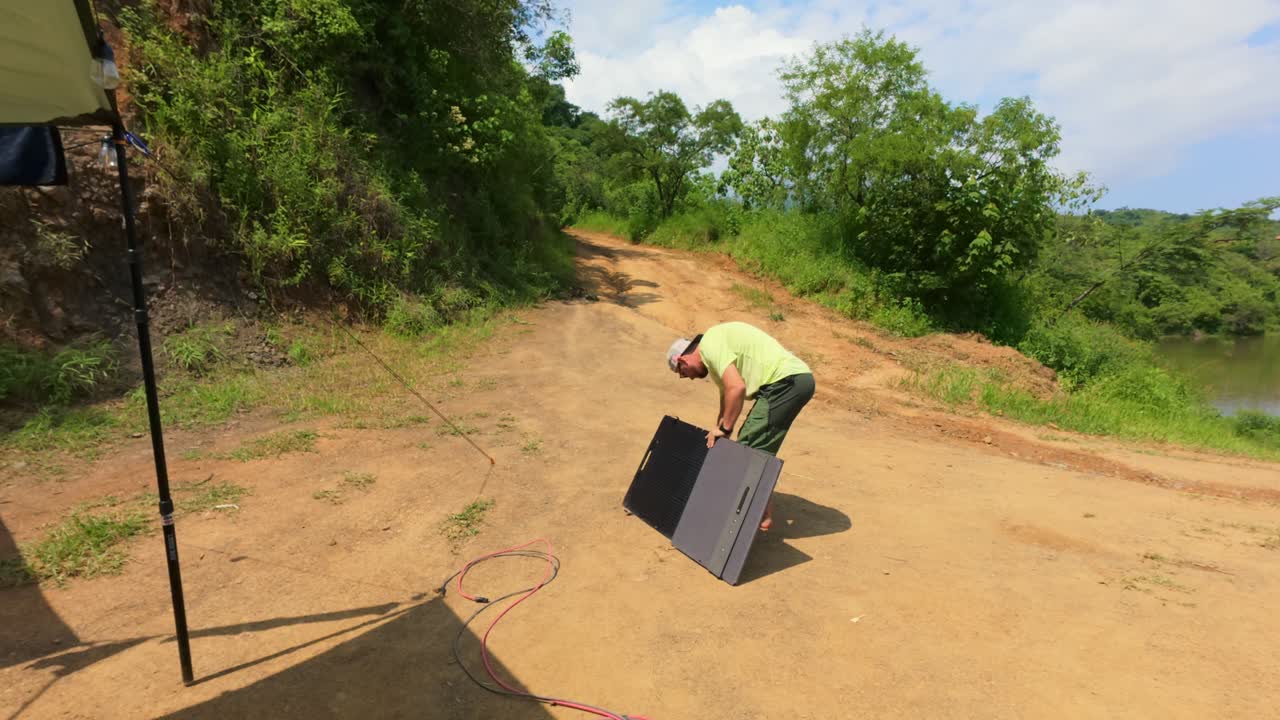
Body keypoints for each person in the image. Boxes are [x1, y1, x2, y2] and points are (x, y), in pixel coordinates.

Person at [666, 321, 815, 531]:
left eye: (682, 371)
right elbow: (727, 397)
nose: (687, 377)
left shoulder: (710, 344)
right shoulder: (715, 355)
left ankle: (755, 517)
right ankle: (761, 513)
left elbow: (736, 388)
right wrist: (720, 431)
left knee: (749, 447)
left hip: (786, 381)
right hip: (790, 381)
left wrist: (726, 429)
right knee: (752, 445)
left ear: (682, 359)